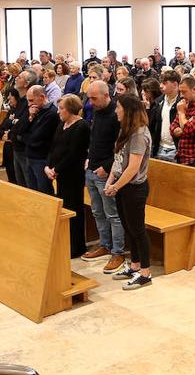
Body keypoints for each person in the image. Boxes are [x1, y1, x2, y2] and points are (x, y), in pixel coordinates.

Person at [105, 95, 154, 289]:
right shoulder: (126, 131)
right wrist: (110, 182)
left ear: (128, 111)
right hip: (123, 187)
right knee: (129, 228)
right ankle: (134, 266)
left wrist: (116, 186)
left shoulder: (140, 134)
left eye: (118, 108)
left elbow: (133, 167)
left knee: (138, 230)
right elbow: (118, 161)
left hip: (134, 188)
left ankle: (145, 273)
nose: (116, 111)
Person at [80, 81, 127, 273]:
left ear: (106, 95)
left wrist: (106, 167)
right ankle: (105, 244)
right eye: (89, 98)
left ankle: (118, 251)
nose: (90, 103)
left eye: (94, 98)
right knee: (97, 212)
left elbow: (121, 146)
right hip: (92, 169)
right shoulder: (98, 111)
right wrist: (89, 158)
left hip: (106, 173)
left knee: (113, 214)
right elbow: (95, 139)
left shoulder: (117, 114)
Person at [45, 94, 91, 258]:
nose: (59, 111)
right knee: (64, 208)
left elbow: (74, 154)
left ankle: (77, 246)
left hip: (73, 174)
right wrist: (48, 166)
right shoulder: (62, 124)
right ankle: (66, 242)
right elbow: (53, 146)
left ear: (71, 109)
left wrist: (56, 169)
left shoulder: (82, 126)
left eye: (62, 108)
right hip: (60, 174)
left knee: (74, 209)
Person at [17, 85, 59, 194]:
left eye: (31, 100)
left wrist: (22, 137)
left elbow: (35, 139)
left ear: (41, 97)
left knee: (44, 192)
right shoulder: (33, 110)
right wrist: (29, 118)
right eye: (28, 100)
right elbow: (19, 130)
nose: (29, 104)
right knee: (33, 193)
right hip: (30, 156)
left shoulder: (51, 113)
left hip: (42, 159)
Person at [170, 76, 195, 168]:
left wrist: (181, 113)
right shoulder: (185, 105)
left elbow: (188, 130)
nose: (181, 95)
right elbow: (172, 129)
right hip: (182, 156)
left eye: (184, 92)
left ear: (194, 89)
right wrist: (185, 123)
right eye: (180, 92)